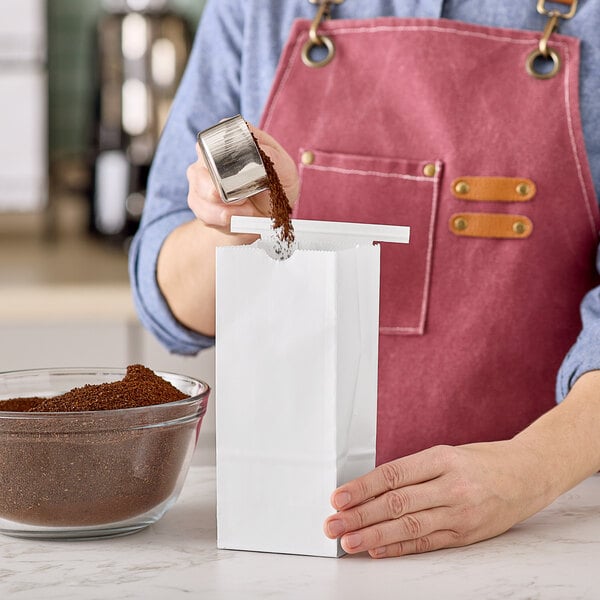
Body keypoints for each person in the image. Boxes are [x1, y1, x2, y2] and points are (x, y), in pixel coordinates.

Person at [129, 0, 600, 558]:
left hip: (540, 527)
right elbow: (171, 305)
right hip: (289, 531)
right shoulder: (257, 10)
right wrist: (236, 225)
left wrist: (530, 470)